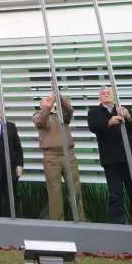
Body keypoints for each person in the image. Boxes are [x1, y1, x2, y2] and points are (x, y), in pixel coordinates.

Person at [87, 86, 132, 225]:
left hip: (131, 157)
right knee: (115, 195)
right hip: (111, 159)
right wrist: (108, 123)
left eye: (109, 93)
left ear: (114, 96)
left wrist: (128, 117)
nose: (106, 95)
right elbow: (93, 128)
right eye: (103, 93)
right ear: (99, 98)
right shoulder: (94, 113)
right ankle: (119, 225)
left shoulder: (123, 110)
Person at [33, 83, 85, 221]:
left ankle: (79, 221)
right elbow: (40, 122)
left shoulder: (63, 116)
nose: (49, 101)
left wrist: (57, 92)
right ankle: (58, 224)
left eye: (51, 101)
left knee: (75, 190)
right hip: (51, 158)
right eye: (45, 101)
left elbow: (69, 109)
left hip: (69, 155)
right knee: (55, 193)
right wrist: (48, 107)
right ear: (41, 106)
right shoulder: (38, 116)